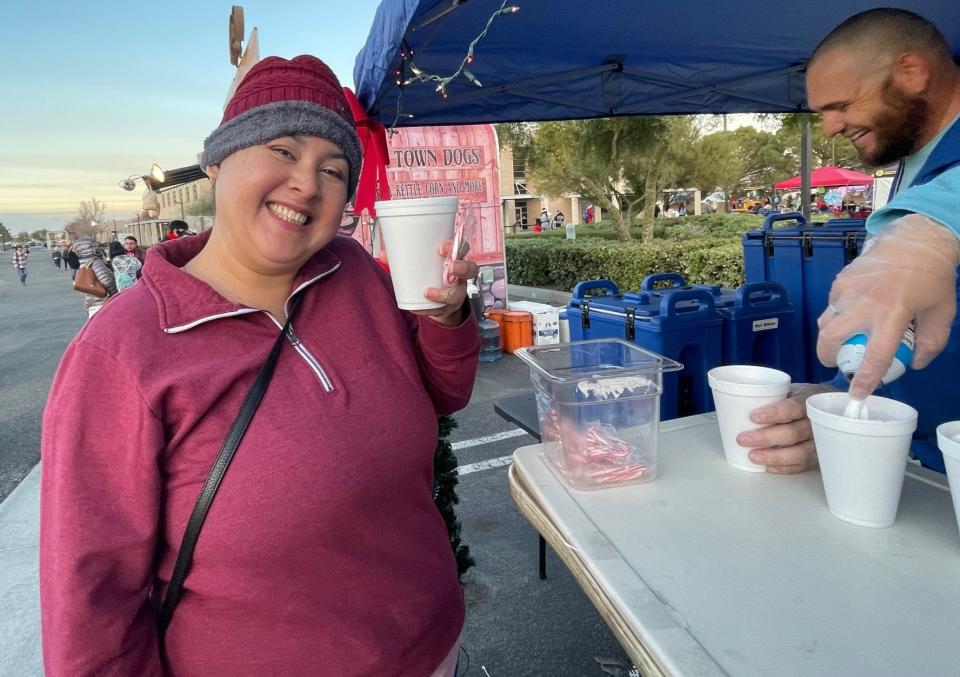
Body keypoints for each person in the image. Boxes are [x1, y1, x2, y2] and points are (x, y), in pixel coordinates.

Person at [40, 55, 479, 676]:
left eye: (333, 169)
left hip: (434, 653)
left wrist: (447, 317)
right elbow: (89, 604)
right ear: (218, 162)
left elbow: (443, 391)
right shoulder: (121, 352)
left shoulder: (353, 273)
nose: (308, 183)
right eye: (283, 149)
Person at [740, 8, 960, 474]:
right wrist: (842, 398)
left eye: (840, 105)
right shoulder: (913, 154)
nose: (830, 128)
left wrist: (932, 226)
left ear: (911, 72)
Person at [69, 236, 118, 310]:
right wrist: (115, 293)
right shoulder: (95, 262)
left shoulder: (81, 262)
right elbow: (106, 280)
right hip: (102, 300)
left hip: (90, 300)